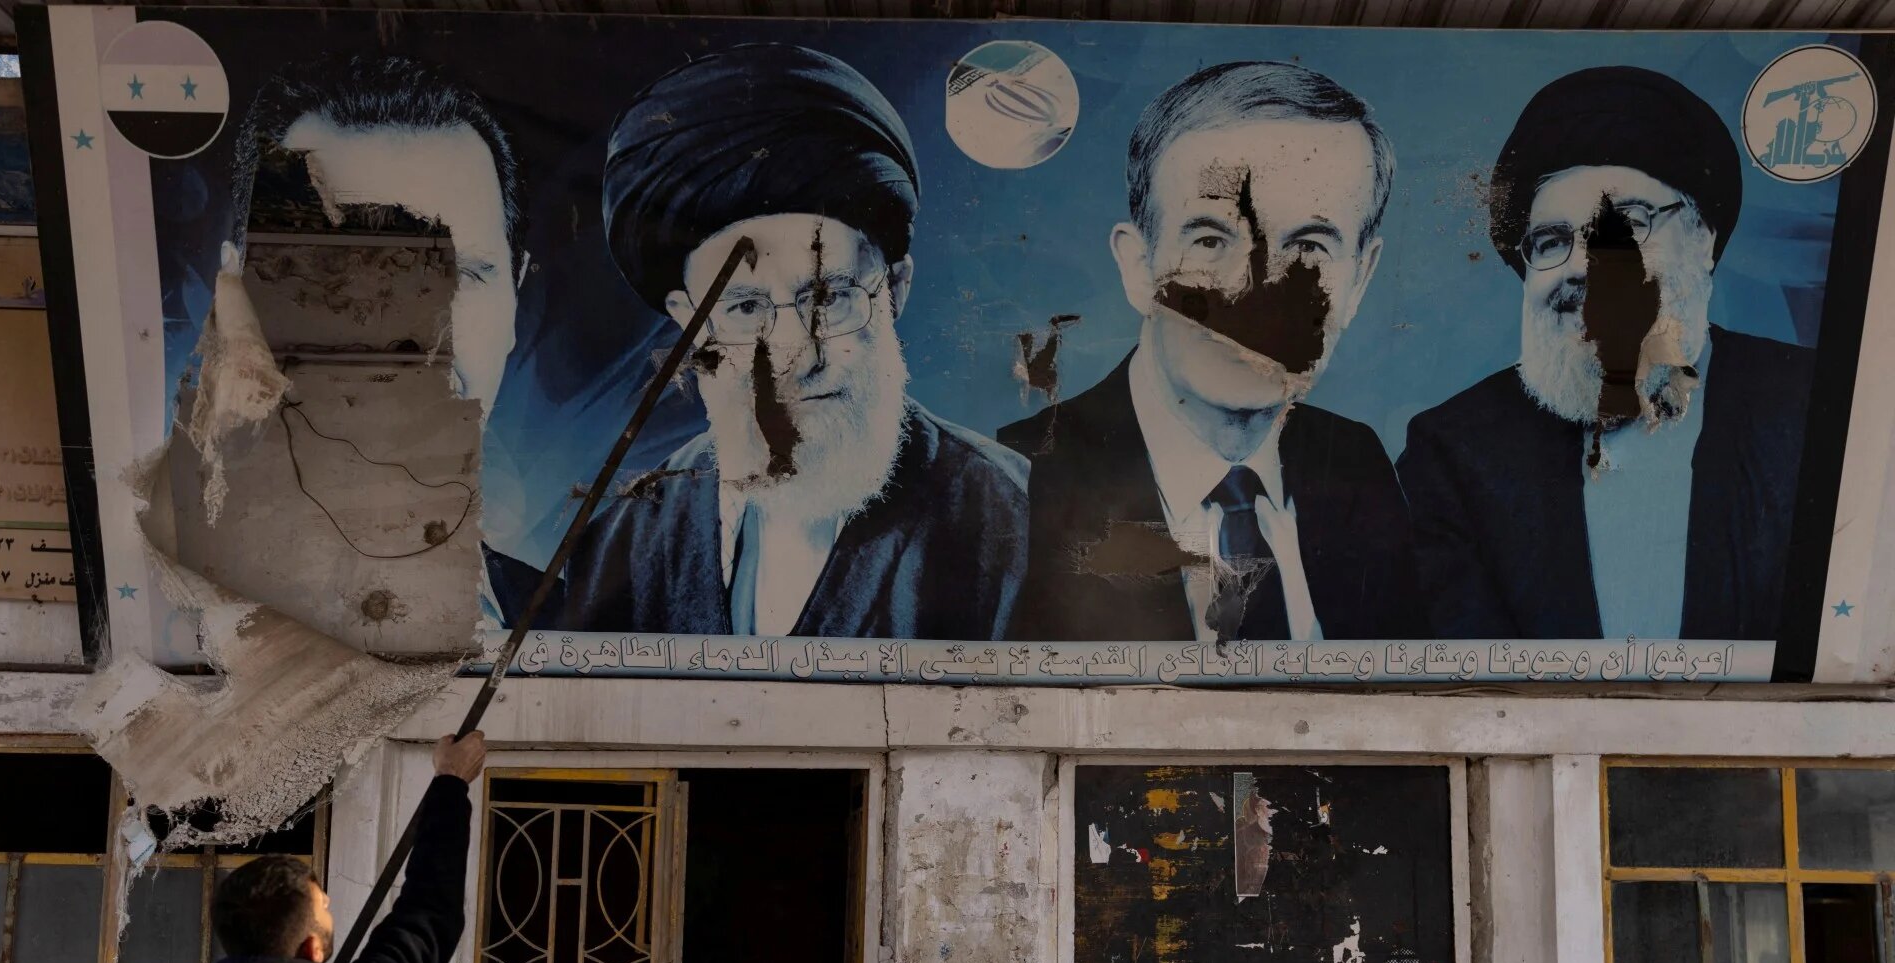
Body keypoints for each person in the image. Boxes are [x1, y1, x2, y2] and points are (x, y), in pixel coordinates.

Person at [559, 43, 1029, 639]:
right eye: (745, 308)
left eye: (828, 298)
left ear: (894, 290)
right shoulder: (617, 546)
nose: (795, 356)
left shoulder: (1017, 525)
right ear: (691, 324)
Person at [999, 61, 1425, 643]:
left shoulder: (1357, 463)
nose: (1255, 293)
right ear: (1138, 268)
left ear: (1360, 280)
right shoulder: (1018, 479)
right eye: (1210, 239)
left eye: (1308, 247)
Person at [1396, 67, 1812, 641]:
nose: (1580, 265)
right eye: (1551, 241)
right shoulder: (1454, 452)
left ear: (1702, 240)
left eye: (1624, 224)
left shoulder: (1814, 404)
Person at [226, 55, 544, 624]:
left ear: (514, 299)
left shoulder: (566, 617)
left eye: (462, 275)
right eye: (342, 270)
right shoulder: (176, 605)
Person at [96, 732, 486, 963]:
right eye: (323, 907)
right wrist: (450, 782)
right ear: (311, 949)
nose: (328, 901)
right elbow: (428, 911)